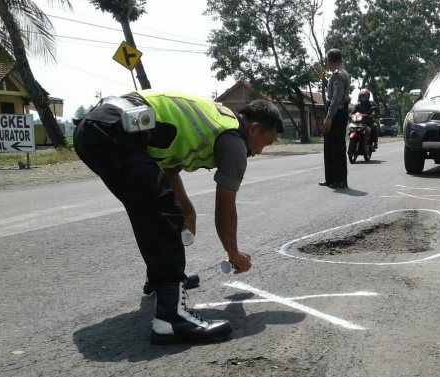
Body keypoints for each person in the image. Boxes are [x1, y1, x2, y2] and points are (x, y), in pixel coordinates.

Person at [73, 91, 283, 345]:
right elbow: (225, 208)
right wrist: (234, 254)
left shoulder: (218, 121)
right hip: (114, 130)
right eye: (267, 143)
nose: (260, 152)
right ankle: (171, 319)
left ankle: (161, 279)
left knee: (150, 207)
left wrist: (188, 210)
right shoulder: (234, 140)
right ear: (254, 129)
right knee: (162, 212)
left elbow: (168, 166)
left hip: (100, 128)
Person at [315, 48, 350, 189]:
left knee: (337, 147)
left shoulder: (338, 75)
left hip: (337, 113)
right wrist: (323, 79)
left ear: (330, 61)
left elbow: (336, 98)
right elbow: (334, 90)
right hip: (339, 112)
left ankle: (340, 180)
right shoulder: (342, 73)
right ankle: (331, 179)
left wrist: (329, 117)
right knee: (330, 147)